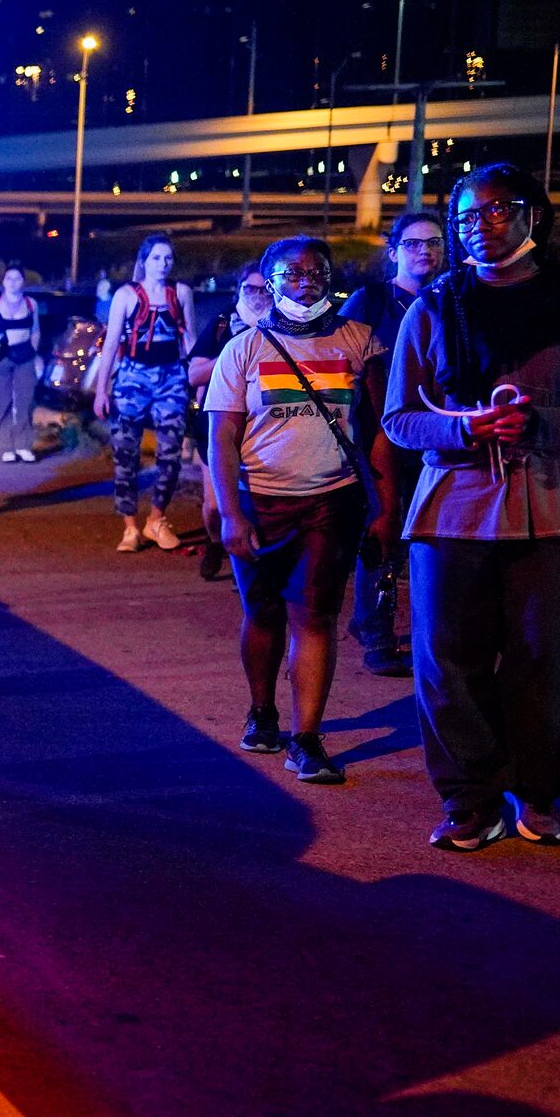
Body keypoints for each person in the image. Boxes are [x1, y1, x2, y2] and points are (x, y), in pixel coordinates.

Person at [383, 165, 560, 851]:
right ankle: (469, 798)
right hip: (451, 508)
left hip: (553, 505)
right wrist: (464, 428)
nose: (478, 226)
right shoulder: (432, 307)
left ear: (532, 216)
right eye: (465, 217)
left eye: (494, 212)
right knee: (444, 659)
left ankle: (538, 790)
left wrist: (540, 425)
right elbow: (399, 418)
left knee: (543, 660)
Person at [207, 239, 379, 783]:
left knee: (316, 614)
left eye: (316, 271)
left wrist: (384, 506)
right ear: (269, 282)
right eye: (291, 272)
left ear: (331, 278)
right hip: (261, 501)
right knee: (262, 612)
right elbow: (222, 437)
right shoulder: (243, 350)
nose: (305, 280)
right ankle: (262, 711)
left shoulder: (361, 343)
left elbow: (379, 434)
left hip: (332, 499)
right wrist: (230, 514)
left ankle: (306, 738)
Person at [339, 212, 447, 675]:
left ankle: (375, 620)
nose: (425, 251)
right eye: (414, 243)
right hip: (379, 435)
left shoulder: (452, 297)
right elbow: (337, 360)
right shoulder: (371, 300)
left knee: (427, 534)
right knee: (382, 528)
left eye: (434, 243)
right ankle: (378, 634)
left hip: (440, 435)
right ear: (394, 251)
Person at [88, 233, 195, 552]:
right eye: (156, 258)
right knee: (125, 453)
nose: (163, 264)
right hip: (132, 378)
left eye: (168, 258)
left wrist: (200, 384)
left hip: (172, 378)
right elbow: (110, 344)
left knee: (171, 451)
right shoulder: (125, 295)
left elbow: (190, 341)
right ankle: (130, 527)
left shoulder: (182, 293)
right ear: (144, 261)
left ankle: (157, 519)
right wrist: (101, 390)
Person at [192, 273, 273, 580]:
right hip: (215, 425)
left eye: (262, 288)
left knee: (253, 506)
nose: (256, 294)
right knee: (214, 506)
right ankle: (214, 542)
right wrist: (235, 349)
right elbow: (194, 375)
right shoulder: (222, 325)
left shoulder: (283, 330)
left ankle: (251, 571)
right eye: (248, 288)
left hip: (257, 431)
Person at [0, 262, 45, 462]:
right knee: (1, 402)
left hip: (25, 355)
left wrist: (35, 355)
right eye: (9, 278)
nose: (13, 282)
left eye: (17, 278)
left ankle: (23, 445)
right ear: (3, 281)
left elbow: (35, 331)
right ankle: (6, 447)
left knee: (25, 401)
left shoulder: (31, 304)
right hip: (0, 357)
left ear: (23, 282)